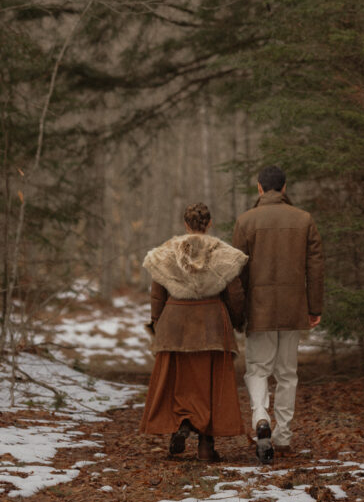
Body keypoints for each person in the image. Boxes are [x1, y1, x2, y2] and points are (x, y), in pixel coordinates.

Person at [139, 202, 248, 462]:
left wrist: (157, 324)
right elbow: (235, 294)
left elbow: (157, 294)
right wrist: (235, 321)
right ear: (208, 224)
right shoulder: (225, 255)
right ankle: (206, 447)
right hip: (211, 324)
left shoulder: (165, 254)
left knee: (179, 380)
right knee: (210, 383)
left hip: (175, 324)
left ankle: (182, 424)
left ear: (185, 224)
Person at [232, 165, 324, 462]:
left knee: (258, 369)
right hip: (293, 307)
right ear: (284, 188)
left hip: (259, 309)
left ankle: (261, 419)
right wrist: (314, 307)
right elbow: (316, 268)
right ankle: (283, 435)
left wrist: (238, 311)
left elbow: (237, 274)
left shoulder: (245, 221)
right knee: (288, 374)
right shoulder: (304, 220)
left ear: (259, 188)